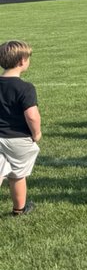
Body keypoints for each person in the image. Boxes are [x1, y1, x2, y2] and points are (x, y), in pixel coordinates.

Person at [0, 40, 41, 216]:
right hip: (18, 138)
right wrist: (36, 133)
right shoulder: (25, 88)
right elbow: (32, 115)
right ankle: (19, 210)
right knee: (18, 174)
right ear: (22, 61)